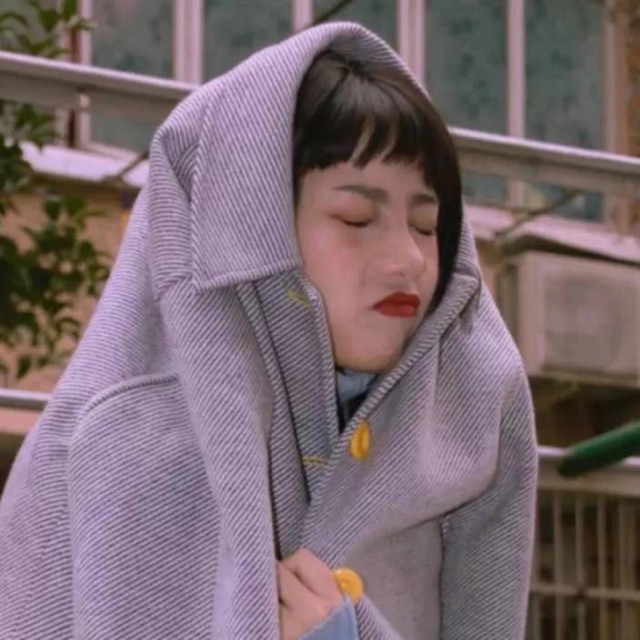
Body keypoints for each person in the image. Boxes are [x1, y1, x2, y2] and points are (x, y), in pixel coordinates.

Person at [0, 22, 538, 640]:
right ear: (250, 229)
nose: (408, 259)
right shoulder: (114, 441)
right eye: (356, 218)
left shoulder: (473, 413)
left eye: (425, 226)